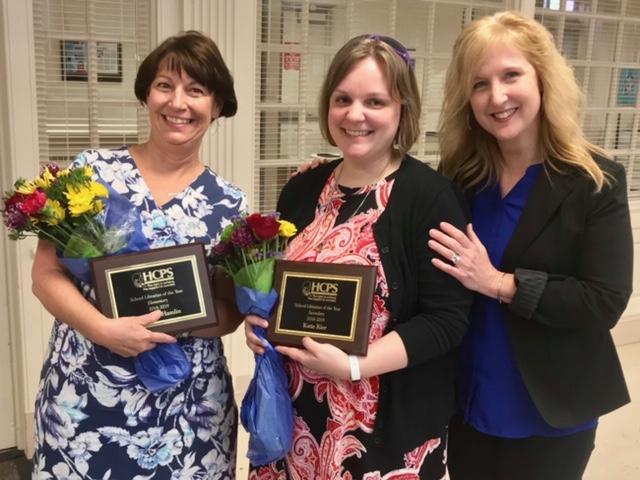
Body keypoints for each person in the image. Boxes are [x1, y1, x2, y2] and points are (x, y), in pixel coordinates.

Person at [245, 34, 472, 479]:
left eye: (375, 101)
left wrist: (354, 364)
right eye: (342, 99)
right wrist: (263, 325)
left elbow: (446, 321)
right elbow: (279, 283)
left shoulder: (430, 199)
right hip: (293, 418)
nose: (355, 115)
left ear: (401, 108)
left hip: (383, 429)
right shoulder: (302, 189)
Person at [31, 31, 246, 479]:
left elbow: (231, 310)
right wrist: (104, 329)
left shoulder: (230, 204)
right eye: (165, 85)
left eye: (197, 90)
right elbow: (46, 274)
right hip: (86, 392)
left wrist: (181, 316)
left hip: (188, 406)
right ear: (146, 94)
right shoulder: (90, 173)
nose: (178, 103)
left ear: (218, 105)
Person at [428, 11, 633, 480]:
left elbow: (604, 301)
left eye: (511, 75)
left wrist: (499, 283)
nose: (496, 96)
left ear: (543, 79)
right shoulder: (460, 180)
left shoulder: (595, 181)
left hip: (550, 409)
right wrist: (338, 177)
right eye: (479, 84)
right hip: (468, 401)